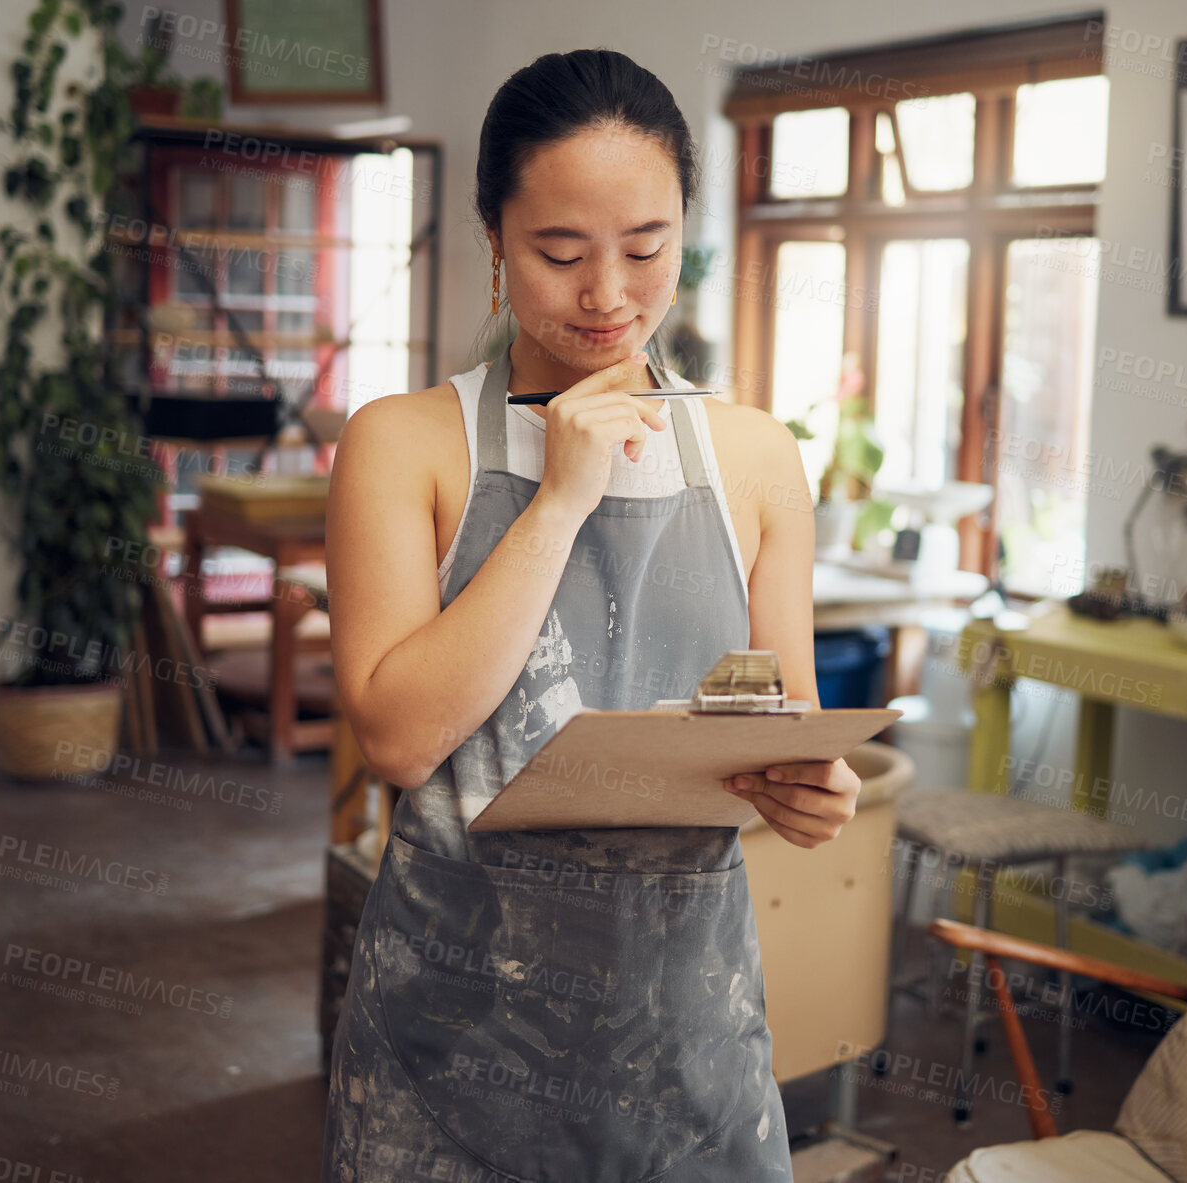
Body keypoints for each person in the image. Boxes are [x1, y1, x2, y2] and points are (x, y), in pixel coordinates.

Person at [322, 47, 863, 1182]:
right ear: (493, 241)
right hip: (453, 1042)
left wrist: (810, 789)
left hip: (687, 1036)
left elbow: (781, 721)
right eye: (559, 252)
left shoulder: (757, 459)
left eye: (646, 248)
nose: (607, 294)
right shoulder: (403, 442)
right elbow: (401, 737)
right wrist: (559, 497)